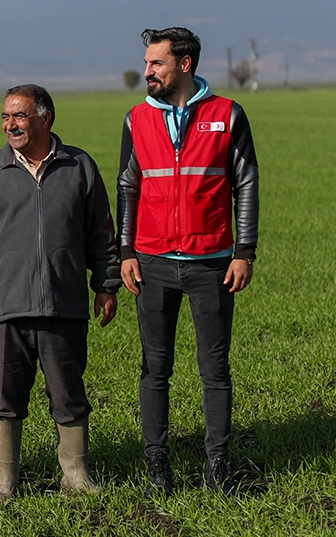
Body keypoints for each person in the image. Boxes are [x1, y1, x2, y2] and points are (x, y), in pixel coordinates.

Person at [0, 84, 120, 501]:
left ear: (46, 118)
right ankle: (5, 479)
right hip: (7, 307)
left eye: (20, 116)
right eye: (6, 117)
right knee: (5, 395)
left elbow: (102, 232)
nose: (11, 125)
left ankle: (75, 474)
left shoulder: (79, 166)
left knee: (69, 393)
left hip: (64, 304)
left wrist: (105, 284)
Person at [117, 27, 259, 497]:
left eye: (156, 63)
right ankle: (157, 464)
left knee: (214, 370)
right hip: (153, 263)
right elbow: (128, 186)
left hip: (212, 264)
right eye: (146, 62)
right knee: (154, 369)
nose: (147, 71)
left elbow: (246, 184)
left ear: (184, 64)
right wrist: (125, 252)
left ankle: (217, 465)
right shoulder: (137, 119)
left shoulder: (227, 115)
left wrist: (244, 251)